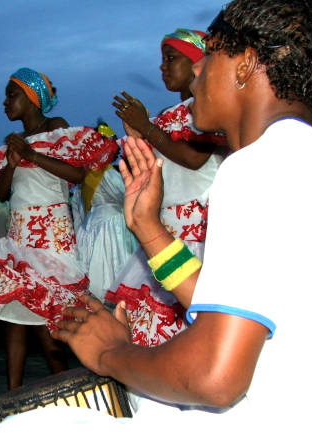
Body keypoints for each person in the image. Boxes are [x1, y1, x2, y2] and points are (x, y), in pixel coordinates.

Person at [0, 1, 312, 440]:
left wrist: (112, 354)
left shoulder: (257, 168)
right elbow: (246, 307)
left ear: (246, 63)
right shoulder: (300, 155)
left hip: (273, 432)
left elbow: (216, 379)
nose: (196, 76)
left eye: (209, 55)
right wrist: (150, 230)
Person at [0, 68, 117, 389]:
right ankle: (13, 394)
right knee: (14, 318)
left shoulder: (55, 128)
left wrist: (30, 154)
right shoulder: (14, 143)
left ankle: (66, 392)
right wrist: (13, 162)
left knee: (51, 320)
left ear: (32, 98)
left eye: (11, 95)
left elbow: (76, 175)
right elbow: (2, 193)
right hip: (20, 237)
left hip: (51, 237)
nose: (4, 103)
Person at [104, 28, 227, 346]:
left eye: (171, 59)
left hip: (197, 238)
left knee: (195, 327)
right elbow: (150, 170)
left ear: (198, 62)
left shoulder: (208, 111)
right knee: (152, 331)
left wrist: (147, 128)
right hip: (163, 233)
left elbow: (194, 158)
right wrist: (138, 137)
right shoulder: (165, 118)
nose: (163, 67)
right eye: (162, 60)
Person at [71, 121, 138, 300]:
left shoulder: (83, 179)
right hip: (111, 227)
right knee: (114, 275)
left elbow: (78, 214)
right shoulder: (107, 174)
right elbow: (127, 197)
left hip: (89, 229)